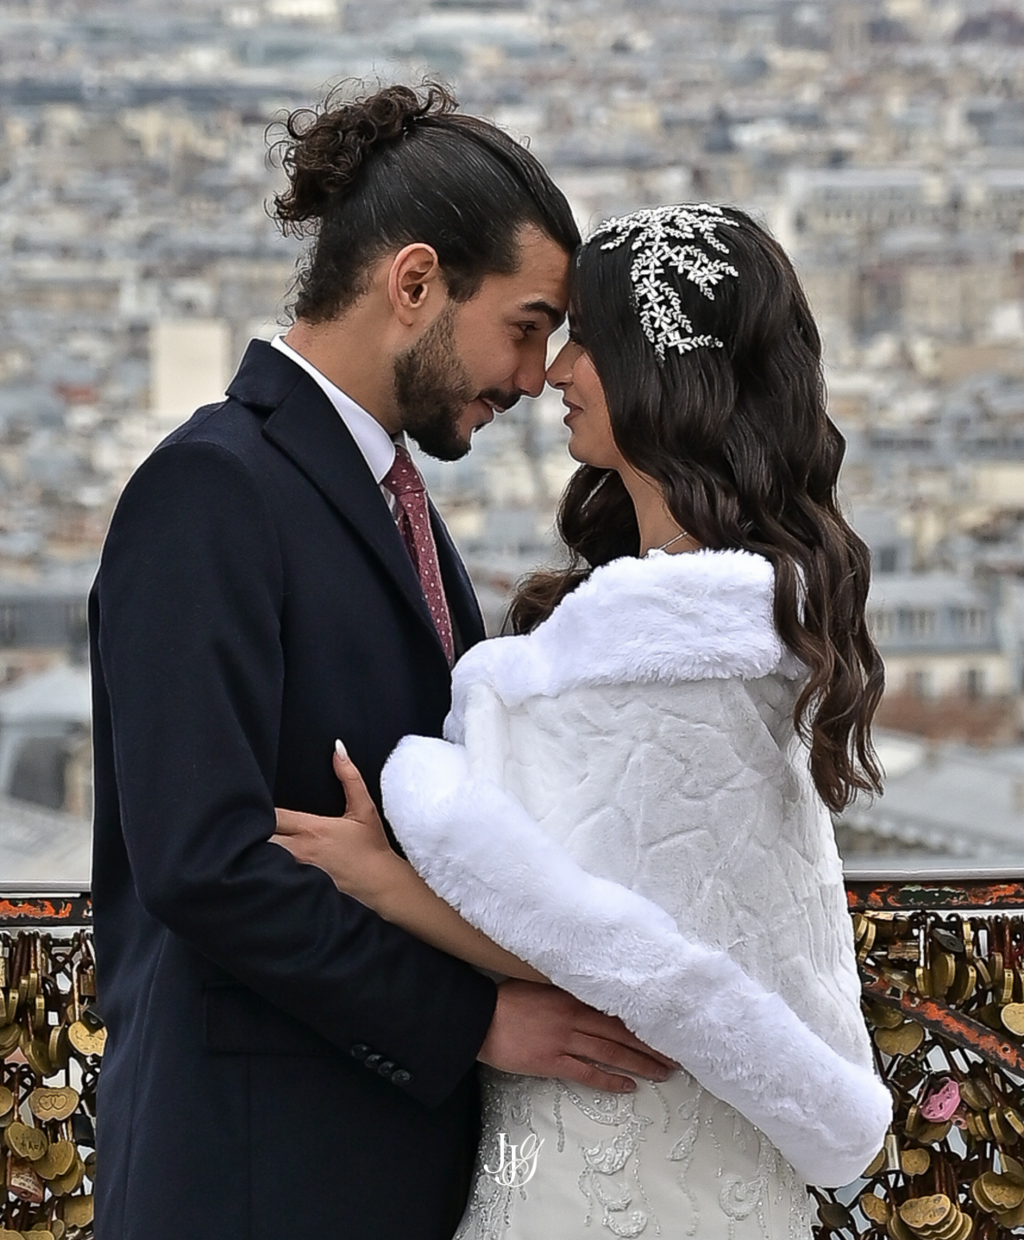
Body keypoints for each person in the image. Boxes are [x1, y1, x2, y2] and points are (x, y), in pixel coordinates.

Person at [88, 83, 676, 1240]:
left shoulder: (377, 499)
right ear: (413, 284)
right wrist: (470, 1018)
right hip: (250, 1180)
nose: (531, 374)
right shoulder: (210, 489)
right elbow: (204, 861)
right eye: (523, 323)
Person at [272, 203, 894, 1239]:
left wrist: (384, 876)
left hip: (607, 1147)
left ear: (661, 369)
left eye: (586, 341)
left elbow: (603, 952)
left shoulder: (663, 644)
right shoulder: (726, 621)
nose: (554, 370)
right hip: (672, 1141)